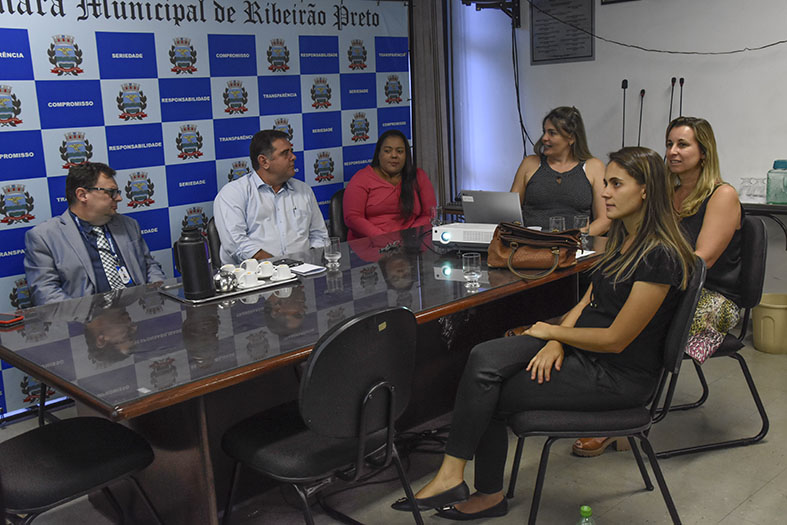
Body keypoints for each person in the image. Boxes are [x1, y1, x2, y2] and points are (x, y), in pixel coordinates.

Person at [390, 147, 696, 520]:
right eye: (606, 184)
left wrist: (557, 334)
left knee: (491, 388)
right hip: (584, 349)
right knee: (483, 357)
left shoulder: (659, 255)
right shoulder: (623, 239)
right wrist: (555, 340)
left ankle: (485, 493)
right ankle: (452, 475)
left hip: (618, 375)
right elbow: (588, 302)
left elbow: (617, 338)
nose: (604, 193)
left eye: (616, 185)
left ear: (646, 191)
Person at [572, 116, 743, 458]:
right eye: (669, 144)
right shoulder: (667, 191)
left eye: (683, 144)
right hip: (670, 280)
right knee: (607, 297)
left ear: (704, 151)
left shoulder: (721, 195)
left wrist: (640, 276)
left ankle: (618, 413)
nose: (673, 152)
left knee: (635, 319)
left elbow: (698, 262)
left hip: (711, 297)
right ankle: (601, 398)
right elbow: (628, 232)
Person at [24, 162, 165, 306]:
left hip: (137, 312)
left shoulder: (129, 225)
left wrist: (155, 292)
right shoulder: (44, 237)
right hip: (85, 322)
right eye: (111, 192)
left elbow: (150, 266)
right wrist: (90, 318)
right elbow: (45, 293)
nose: (119, 198)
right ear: (82, 195)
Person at [213, 129, 329, 264]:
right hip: (253, 278)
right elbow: (236, 244)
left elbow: (319, 236)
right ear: (264, 161)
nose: (293, 157)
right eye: (285, 153)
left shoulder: (304, 190)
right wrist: (280, 266)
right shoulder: (233, 193)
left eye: (291, 151)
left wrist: (309, 263)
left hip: (304, 272)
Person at [510, 106, 610, 236]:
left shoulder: (594, 166)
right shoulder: (530, 163)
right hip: (531, 244)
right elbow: (510, 214)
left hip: (575, 246)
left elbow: (604, 220)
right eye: (544, 132)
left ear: (571, 138)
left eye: (552, 133)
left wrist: (574, 237)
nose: (544, 138)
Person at [343, 129, 436, 240]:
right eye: (387, 151)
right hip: (371, 244)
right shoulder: (361, 179)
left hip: (411, 244)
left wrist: (410, 235)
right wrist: (384, 239)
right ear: (378, 154)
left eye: (400, 151)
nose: (394, 156)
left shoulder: (418, 176)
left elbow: (429, 213)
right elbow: (353, 218)